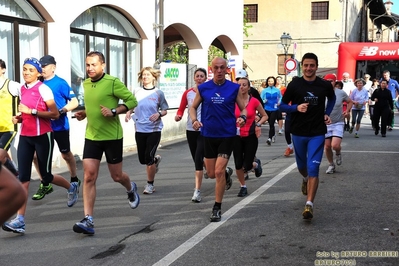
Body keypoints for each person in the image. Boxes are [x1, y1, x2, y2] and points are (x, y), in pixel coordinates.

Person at [2, 58, 79, 234]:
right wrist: (20, 117)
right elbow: (26, 112)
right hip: (25, 137)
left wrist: (32, 112)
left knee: (46, 176)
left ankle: (71, 187)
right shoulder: (22, 88)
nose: (26, 73)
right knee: (23, 178)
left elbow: (53, 114)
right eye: (24, 69)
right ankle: (20, 220)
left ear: (38, 73)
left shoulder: (44, 89)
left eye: (30, 70)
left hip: (43, 137)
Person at [72, 51, 139, 235]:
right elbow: (92, 105)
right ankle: (88, 219)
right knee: (88, 176)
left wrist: (114, 111)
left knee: (116, 176)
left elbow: (132, 101)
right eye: (87, 65)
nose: (90, 68)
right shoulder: (85, 83)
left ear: (103, 65)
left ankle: (130, 187)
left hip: (112, 137)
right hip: (92, 136)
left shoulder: (112, 82)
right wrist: (84, 113)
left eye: (94, 64)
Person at [189, 57, 247, 222]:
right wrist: (194, 120)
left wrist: (242, 118)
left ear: (227, 69)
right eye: (216, 68)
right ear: (211, 69)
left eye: (222, 68)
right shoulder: (204, 88)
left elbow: (244, 109)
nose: (220, 71)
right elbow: (193, 107)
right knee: (212, 173)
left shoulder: (234, 88)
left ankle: (217, 207)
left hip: (227, 135)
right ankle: (227, 173)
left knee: (219, 171)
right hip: (208, 135)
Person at [279, 53, 336, 220]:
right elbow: (281, 105)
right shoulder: (295, 84)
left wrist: (326, 113)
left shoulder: (324, 85)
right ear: (301, 66)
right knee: (302, 166)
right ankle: (305, 179)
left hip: (317, 132)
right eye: (306, 65)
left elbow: (331, 100)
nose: (309, 68)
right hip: (298, 131)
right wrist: (296, 108)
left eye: (312, 65)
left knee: (313, 168)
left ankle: (309, 205)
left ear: (316, 67)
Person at [30, 55, 80, 201]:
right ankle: (45, 183)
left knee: (65, 154)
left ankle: (74, 178)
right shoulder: (37, 83)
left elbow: (75, 102)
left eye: (45, 66)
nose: (42, 69)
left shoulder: (60, 83)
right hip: (43, 127)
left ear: (53, 67)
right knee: (35, 157)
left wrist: (62, 111)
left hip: (59, 127)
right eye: (41, 66)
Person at [125, 66, 169, 195]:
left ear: (153, 77)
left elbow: (165, 109)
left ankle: (150, 185)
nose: (145, 77)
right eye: (143, 75)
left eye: (148, 75)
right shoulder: (137, 91)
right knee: (142, 160)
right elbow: (132, 105)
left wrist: (159, 114)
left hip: (154, 129)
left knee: (148, 157)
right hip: (140, 128)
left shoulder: (158, 93)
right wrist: (128, 112)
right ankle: (155, 161)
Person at [175, 68, 207, 202]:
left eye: (202, 76)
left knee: (199, 159)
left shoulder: (209, 91)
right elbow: (182, 107)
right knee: (197, 159)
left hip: (204, 130)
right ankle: (223, 172)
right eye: (197, 76)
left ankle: (197, 191)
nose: (199, 78)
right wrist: (179, 115)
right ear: (194, 78)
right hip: (190, 129)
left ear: (205, 78)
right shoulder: (188, 93)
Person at [233, 77, 268, 197]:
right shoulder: (233, 101)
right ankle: (243, 186)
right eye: (239, 85)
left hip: (250, 135)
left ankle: (255, 164)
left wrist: (258, 123)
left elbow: (264, 115)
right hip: (236, 136)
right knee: (238, 163)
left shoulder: (254, 101)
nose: (241, 87)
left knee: (246, 165)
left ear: (249, 87)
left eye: (244, 85)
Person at [323, 73, 352, 174]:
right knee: (327, 146)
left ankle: (338, 153)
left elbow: (350, 101)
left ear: (335, 82)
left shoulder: (340, 93)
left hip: (338, 122)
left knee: (335, 145)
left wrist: (347, 111)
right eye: (327, 81)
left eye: (331, 81)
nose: (329, 83)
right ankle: (331, 165)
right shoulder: (321, 93)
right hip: (325, 123)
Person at [0, 59, 20, 177]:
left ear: (3, 69)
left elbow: (27, 99)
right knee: (2, 155)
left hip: (9, 127)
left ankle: (15, 174)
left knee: (0, 152)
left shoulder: (12, 85)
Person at [260, 76, 282, 145]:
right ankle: (273, 134)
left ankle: (269, 138)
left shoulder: (277, 90)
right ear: (267, 82)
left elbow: (281, 97)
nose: (270, 82)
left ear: (274, 82)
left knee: (271, 123)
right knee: (270, 123)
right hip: (266, 108)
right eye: (269, 81)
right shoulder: (264, 90)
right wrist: (264, 101)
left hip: (274, 108)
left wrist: (279, 102)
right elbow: (260, 99)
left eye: (272, 81)